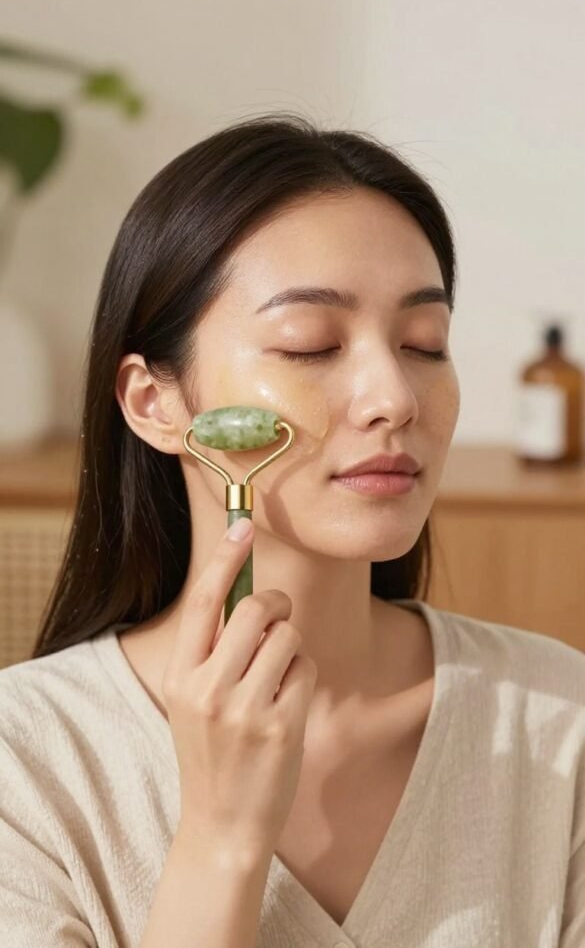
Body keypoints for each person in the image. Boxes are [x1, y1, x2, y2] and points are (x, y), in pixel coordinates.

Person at [0, 112, 584, 947]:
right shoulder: (25, 766)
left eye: (424, 342)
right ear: (152, 402)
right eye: (310, 345)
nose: (394, 396)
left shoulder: (559, 720)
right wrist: (221, 841)